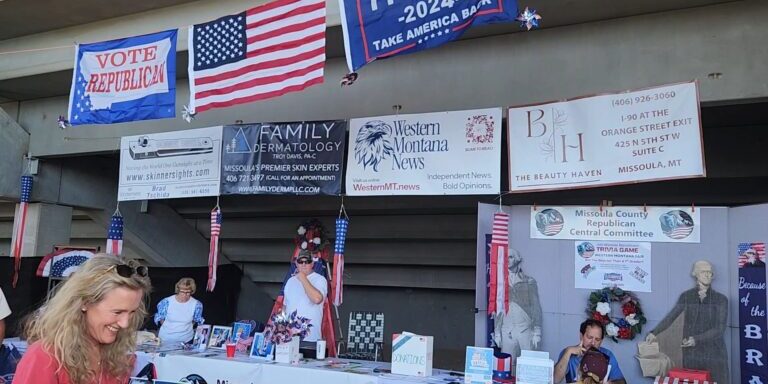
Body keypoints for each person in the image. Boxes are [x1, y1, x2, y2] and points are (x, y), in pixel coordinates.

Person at [13, 254, 151, 384]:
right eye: (117, 312)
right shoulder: (44, 357)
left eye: (132, 312)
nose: (125, 323)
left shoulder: (119, 359)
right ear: (85, 302)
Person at [646, 260, 728, 384]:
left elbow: (720, 329)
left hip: (713, 353)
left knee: (714, 380)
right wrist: (654, 333)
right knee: (691, 380)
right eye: (703, 272)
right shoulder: (687, 296)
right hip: (691, 354)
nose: (707, 275)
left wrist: (696, 339)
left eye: (710, 272)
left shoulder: (721, 299)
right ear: (696, 274)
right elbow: (672, 316)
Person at [493, 249, 543, 368]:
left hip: (524, 329)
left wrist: (537, 331)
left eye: (510, 257)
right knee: (507, 364)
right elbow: (499, 308)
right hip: (507, 329)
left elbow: (535, 306)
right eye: (506, 258)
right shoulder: (501, 283)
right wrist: (497, 331)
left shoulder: (529, 281)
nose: (507, 260)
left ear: (517, 259)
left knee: (528, 364)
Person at [554, 319, 626, 384]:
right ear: (581, 336)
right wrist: (568, 352)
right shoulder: (568, 353)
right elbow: (554, 380)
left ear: (601, 341)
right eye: (589, 337)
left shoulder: (607, 355)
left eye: (597, 339)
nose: (593, 343)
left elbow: (622, 382)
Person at [283, 250, 327, 342]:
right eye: (300, 261)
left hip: (310, 338)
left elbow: (316, 299)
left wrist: (302, 277)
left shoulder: (320, 279)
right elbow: (285, 308)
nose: (303, 264)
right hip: (289, 338)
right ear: (296, 263)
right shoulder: (290, 281)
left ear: (312, 264)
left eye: (307, 262)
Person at [154, 277, 204, 345]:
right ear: (178, 290)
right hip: (165, 339)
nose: (185, 294)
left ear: (192, 291)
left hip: (186, 341)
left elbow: (195, 320)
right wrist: (170, 328)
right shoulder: (166, 302)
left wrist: (183, 328)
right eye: (182, 291)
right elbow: (161, 319)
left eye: (188, 292)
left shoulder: (197, 304)